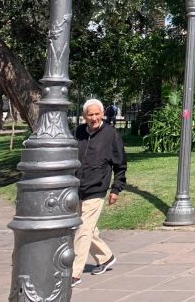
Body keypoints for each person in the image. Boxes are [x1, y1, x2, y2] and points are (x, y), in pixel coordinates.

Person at [71, 98, 126, 287]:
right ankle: (106, 257)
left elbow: (120, 165)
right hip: (77, 188)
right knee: (88, 229)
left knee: (82, 230)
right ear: (84, 116)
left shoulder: (111, 134)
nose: (93, 118)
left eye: (97, 114)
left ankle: (74, 273)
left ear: (102, 114)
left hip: (97, 188)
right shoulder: (79, 132)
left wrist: (116, 189)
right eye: (90, 114)